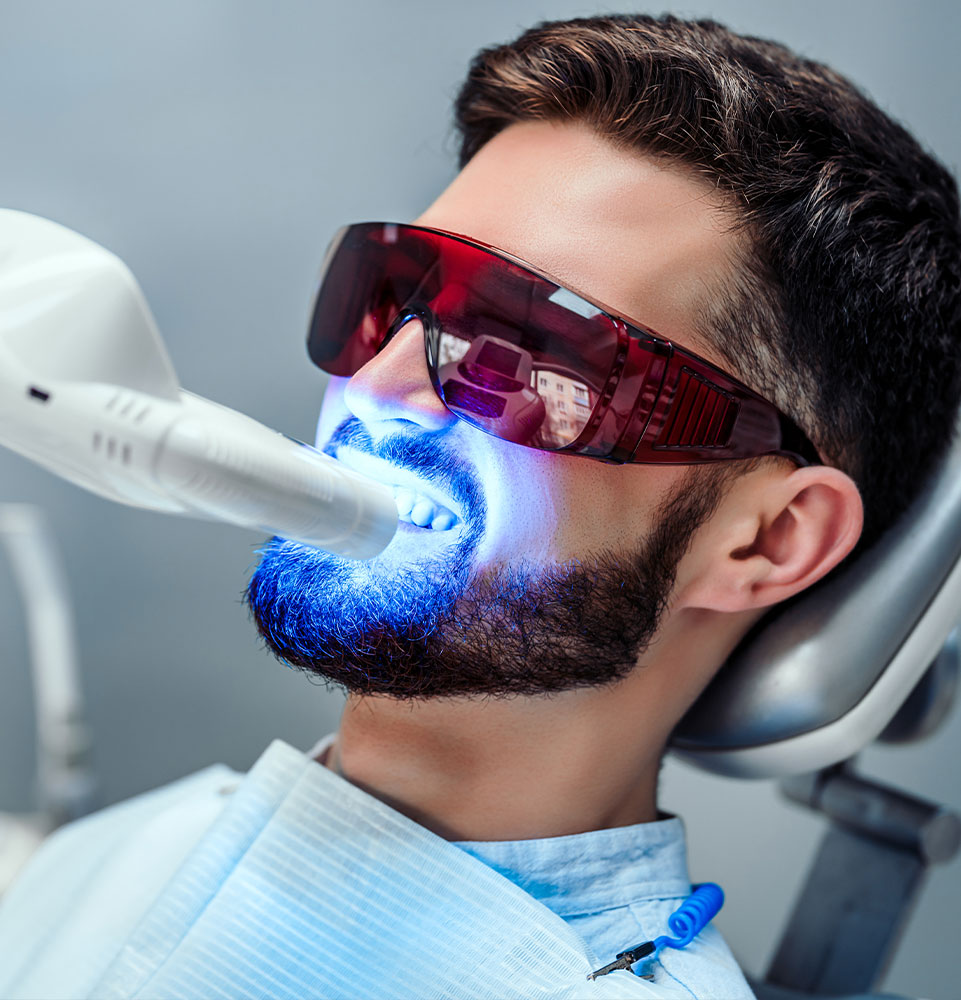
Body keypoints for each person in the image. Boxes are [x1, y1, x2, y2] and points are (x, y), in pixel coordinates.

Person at [1, 13, 958, 1000]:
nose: (376, 385)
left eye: (525, 353)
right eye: (391, 296)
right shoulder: (123, 852)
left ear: (766, 537)